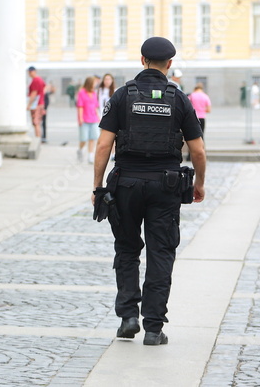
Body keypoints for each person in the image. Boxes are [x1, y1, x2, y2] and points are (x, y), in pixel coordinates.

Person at [92, 37, 206, 346]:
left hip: (125, 183)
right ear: (169, 64)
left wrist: (98, 186)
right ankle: (154, 328)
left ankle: (129, 317)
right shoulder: (179, 99)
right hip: (166, 186)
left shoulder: (122, 96)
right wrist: (199, 184)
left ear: (142, 60)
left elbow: (103, 144)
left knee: (127, 249)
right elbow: (197, 151)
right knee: (161, 253)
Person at [76, 76, 100, 164]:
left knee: (92, 138)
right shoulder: (82, 92)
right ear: (90, 83)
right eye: (94, 82)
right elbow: (80, 106)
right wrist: (81, 118)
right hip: (85, 119)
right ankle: (80, 149)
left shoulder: (94, 93)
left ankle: (90, 156)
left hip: (93, 119)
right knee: (83, 138)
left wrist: (98, 117)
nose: (96, 84)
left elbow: (96, 107)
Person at [27, 66, 46, 138]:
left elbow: (34, 93)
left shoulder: (35, 80)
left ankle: (37, 139)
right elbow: (44, 88)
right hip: (40, 103)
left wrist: (29, 104)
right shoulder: (40, 79)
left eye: (30, 72)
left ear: (34, 71)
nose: (29, 74)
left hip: (36, 104)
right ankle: (38, 138)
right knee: (37, 123)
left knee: (36, 123)